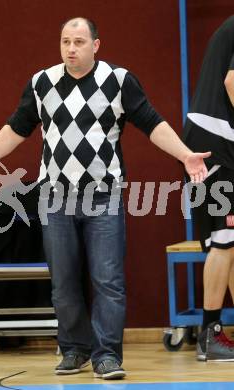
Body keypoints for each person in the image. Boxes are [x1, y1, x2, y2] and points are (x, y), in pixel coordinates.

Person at [0, 17, 210, 379]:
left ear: (96, 45)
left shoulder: (118, 81)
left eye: (78, 41)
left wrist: (185, 154)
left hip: (103, 195)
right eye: (65, 42)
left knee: (108, 278)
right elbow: (16, 127)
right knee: (63, 281)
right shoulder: (42, 83)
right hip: (55, 197)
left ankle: (107, 355)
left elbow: (152, 122)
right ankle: (75, 349)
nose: (71, 49)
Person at [182, 15, 234, 362]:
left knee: (231, 240)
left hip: (212, 136)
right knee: (224, 239)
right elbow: (233, 82)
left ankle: (214, 334)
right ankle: (210, 334)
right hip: (217, 139)